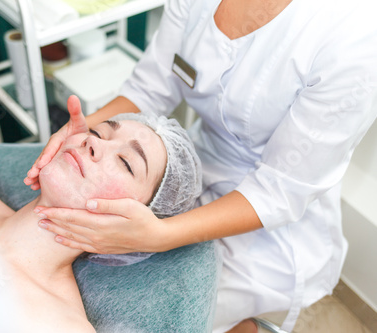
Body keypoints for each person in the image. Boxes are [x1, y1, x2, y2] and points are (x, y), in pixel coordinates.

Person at [24, 0, 377, 332]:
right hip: (194, 165)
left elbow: (279, 189)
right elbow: (150, 89)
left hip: (267, 227)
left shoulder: (352, 37)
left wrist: (161, 236)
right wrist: (85, 130)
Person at [0, 108, 202, 332]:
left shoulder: (61, 326)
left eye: (126, 163)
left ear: (135, 225)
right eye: (98, 132)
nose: (94, 143)